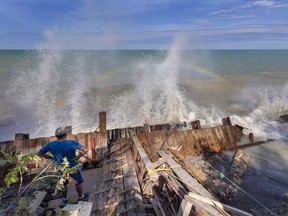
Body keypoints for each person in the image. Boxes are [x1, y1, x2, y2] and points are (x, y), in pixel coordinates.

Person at [37, 127, 89, 205]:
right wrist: (78, 157)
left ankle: (65, 198)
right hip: (73, 167)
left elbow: (39, 153)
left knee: (63, 184)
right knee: (78, 182)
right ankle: (80, 197)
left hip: (61, 168)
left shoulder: (51, 145)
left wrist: (51, 157)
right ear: (65, 134)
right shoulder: (71, 143)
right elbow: (85, 149)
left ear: (56, 136)